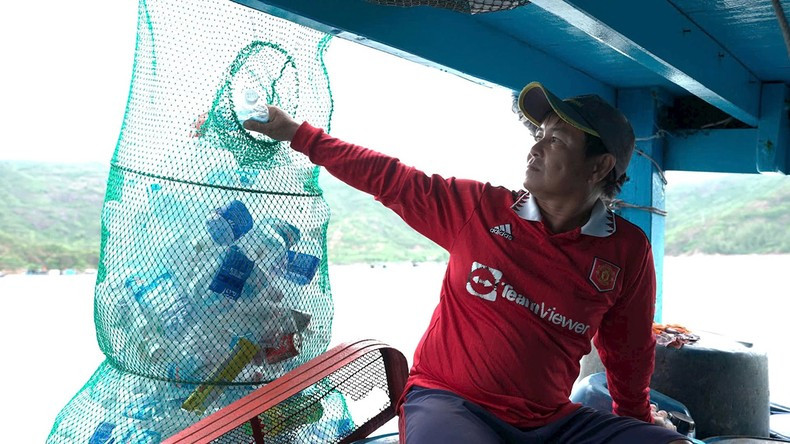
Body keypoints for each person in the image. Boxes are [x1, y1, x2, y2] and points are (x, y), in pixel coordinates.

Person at [244, 81, 690, 444]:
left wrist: (634, 421)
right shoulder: (479, 209)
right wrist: (296, 134)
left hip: (549, 422)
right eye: (538, 136)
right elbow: (389, 178)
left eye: (556, 140)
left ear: (600, 167)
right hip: (449, 402)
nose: (536, 149)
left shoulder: (626, 251)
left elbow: (629, 350)